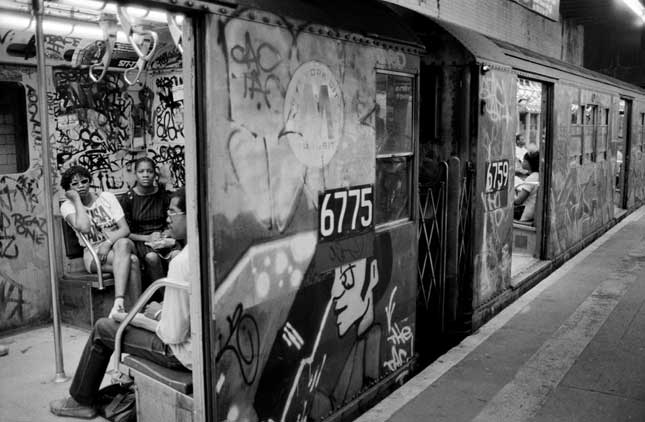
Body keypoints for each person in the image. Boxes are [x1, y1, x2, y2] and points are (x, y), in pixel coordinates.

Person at [50, 188, 191, 419]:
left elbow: (172, 334)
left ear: (191, 213)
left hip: (181, 353)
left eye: (172, 213)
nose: (167, 218)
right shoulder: (210, 250)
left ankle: (79, 400)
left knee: (103, 329)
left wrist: (151, 316)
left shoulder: (181, 263)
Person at [59, 165, 141, 317]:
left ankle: (119, 302)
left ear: (90, 181)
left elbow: (124, 230)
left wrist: (107, 243)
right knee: (133, 261)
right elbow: (83, 227)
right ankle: (136, 312)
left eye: (84, 181)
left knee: (122, 243)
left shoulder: (107, 197)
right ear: (68, 189)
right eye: (75, 184)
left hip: (116, 244)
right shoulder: (67, 206)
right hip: (93, 254)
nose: (81, 186)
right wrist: (77, 199)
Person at [120, 157, 175, 286]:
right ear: (135, 174)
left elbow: (172, 219)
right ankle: (164, 297)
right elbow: (125, 232)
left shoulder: (163, 195)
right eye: (141, 171)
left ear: (154, 174)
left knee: (177, 254)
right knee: (152, 258)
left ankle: (179, 294)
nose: (145, 175)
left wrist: (166, 233)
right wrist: (148, 237)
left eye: (149, 171)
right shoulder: (128, 199)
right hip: (141, 240)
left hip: (163, 237)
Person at [514, 151, 540, 222]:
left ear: (530, 163)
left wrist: (511, 198)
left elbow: (519, 201)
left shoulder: (532, 178)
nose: (522, 161)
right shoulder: (537, 175)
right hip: (533, 213)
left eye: (524, 160)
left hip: (526, 215)